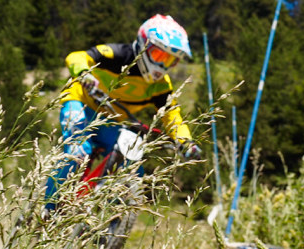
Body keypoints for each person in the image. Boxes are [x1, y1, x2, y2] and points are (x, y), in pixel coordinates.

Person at [44, 14, 202, 211]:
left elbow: (172, 115)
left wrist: (185, 142)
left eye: (170, 60)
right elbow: (76, 56)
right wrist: (85, 74)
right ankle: (46, 209)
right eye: (159, 56)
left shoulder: (161, 86)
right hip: (80, 103)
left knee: (132, 164)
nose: (162, 66)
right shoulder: (118, 55)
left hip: (110, 121)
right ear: (144, 45)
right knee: (78, 152)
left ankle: (102, 215)